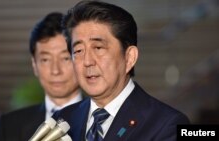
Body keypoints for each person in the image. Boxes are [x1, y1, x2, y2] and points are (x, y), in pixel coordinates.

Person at [53, 1, 190, 141]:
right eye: (78, 51)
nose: (87, 61)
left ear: (129, 58)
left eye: (98, 48)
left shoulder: (167, 124)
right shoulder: (61, 121)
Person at [0, 12, 83, 141]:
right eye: (45, 60)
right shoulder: (8, 125)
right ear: (34, 65)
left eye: (65, 58)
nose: (55, 70)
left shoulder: (103, 119)